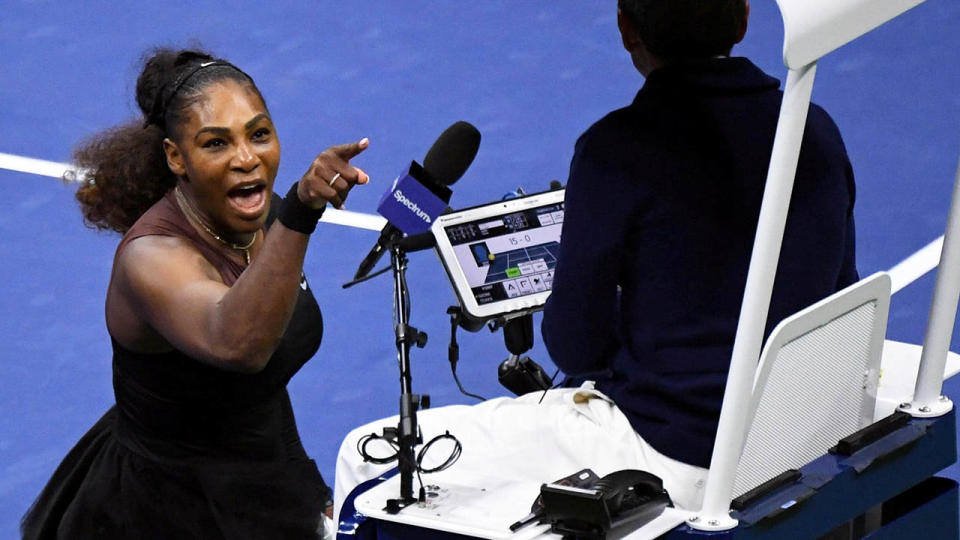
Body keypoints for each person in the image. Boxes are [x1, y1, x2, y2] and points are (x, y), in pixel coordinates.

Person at [333, 0, 857, 520]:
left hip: (673, 457)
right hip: (799, 439)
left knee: (365, 456)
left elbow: (574, 346)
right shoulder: (818, 129)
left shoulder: (617, 149)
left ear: (626, 29)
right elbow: (841, 293)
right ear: (744, 17)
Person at [21, 48, 369, 539]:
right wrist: (301, 212)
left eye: (259, 134)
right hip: (163, 514)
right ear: (175, 157)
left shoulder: (257, 220)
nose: (247, 158)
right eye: (216, 143)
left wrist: (303, 488)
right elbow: (240, 344)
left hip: (261, 483)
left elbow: (263, 381)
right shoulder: (151, 259)